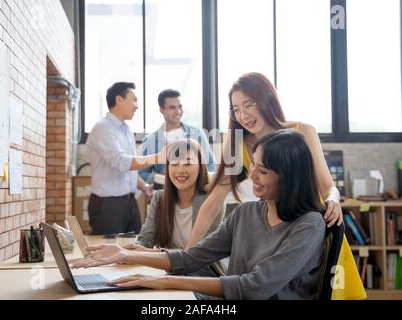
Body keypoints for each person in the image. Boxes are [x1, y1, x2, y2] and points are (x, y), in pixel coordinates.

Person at [72, 130, 326, 300]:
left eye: (264, 171)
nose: (252, 177)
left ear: (290, 175)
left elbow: (256, 286)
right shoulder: (246, 213)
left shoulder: (310, 224)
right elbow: (192, 256)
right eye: (253, 167)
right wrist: (125, 254)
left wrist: (167, 282)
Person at [185, 72, 343, 248]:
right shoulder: (238, 143)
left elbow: (328, 188)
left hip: (314, 229)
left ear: (266, 100)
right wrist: (186, 254)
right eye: (236, 109)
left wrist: (333, 201)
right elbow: (213, 203)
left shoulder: (303, 132)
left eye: (248, 105)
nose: (243, 116)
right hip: (276, 237)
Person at [85, 82, 167, 235]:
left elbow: (129, 169)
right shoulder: (103, 128)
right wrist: (159, 157)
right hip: (108, 206)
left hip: (129, 202)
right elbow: (122, 162)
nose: (137, 106)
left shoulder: (126, 130)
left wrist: (144, 186)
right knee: (108, 254)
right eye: (134, 100)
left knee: (133, 249)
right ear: (119, 100)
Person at [129, 140, 223, 252]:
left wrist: (157, 253)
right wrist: (130, 250)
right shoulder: (159, 198)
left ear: (200, 168)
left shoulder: (213, 200)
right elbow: (145, 240)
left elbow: (202, 253)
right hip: (169, 268)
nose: (180, 170)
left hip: (205, 268)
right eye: (174, 163)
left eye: (188, 163)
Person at [139, 89, 216, 185]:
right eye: (172, 108)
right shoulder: (150, 140)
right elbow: (142, 172)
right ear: (161, 110)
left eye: (180, 106)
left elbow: (211, 163)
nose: (178, 111)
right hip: (165, 192)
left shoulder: (197, 134)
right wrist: (159, 177)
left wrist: (202, 178)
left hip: (196, 192)